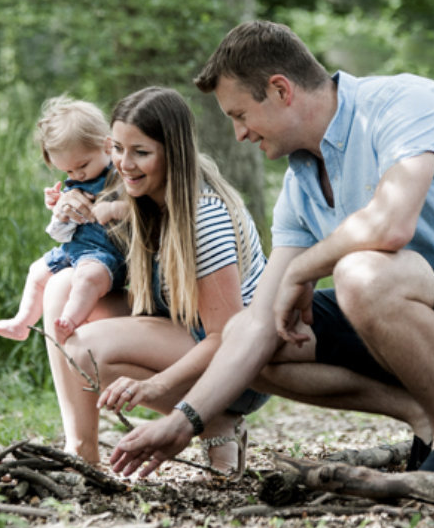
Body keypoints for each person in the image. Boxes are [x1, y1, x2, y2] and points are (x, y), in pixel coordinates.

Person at [109, 21, 434, 484]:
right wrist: (185, 420)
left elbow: (391, 224)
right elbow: (251, 325)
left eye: (241, 115)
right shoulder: (300, 184)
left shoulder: (403, 104)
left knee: (361, 273)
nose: (239, 134)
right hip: (428, 330)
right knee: (257, 332)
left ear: (280, 90)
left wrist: (304, 270)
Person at [43, 87, 269, 473]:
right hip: (185, 332)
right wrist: (72, 212)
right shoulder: (138, 198)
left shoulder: (205, 217)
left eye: (141, 152)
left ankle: (215, 419)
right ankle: (81, 451)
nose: (124, 164)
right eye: (117, 148)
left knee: (86, 349)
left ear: (173, 153)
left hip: (240, 369)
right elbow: (89, 262)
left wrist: (159, 386)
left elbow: (228, 336)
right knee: (62, 287)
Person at [0, 95, 128, 345]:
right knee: (37, 272)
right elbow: (62, 228)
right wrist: (57, 205)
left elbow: (138, 208)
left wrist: (114, 208)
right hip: (73, 249)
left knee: (87, 278)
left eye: (82, 165)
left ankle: (70, 320)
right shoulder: (77, 182)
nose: (77, 174)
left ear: (107, 146)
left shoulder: (120, 177)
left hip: (106, 257)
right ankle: (22, 323)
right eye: (68, 171)